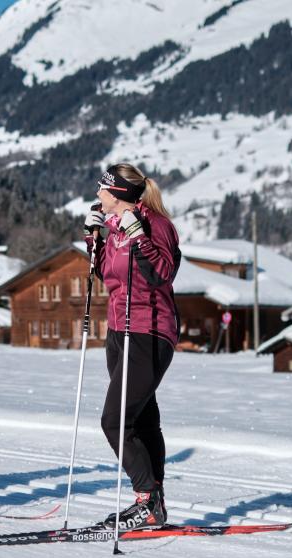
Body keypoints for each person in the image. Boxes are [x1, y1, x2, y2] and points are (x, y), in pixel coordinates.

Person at [84, 163, 181, 529]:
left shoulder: (157, 224)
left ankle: (146, 497)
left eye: (103, 189)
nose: (98, 195)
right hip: (118, 328)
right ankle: (153, 503)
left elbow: (162, 274)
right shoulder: (113, 228)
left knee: (115, 420)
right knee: (140, 419)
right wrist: (93, 240)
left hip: (149, 328)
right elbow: (107, 276)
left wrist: (138, 234)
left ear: (119, 193)